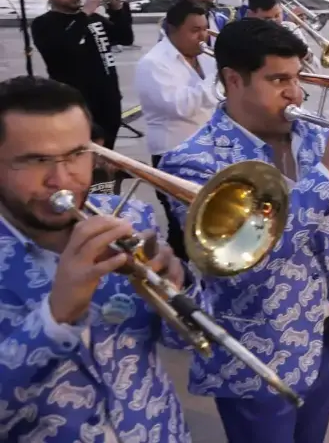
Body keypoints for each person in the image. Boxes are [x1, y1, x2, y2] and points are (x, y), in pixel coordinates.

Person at [159, 19, 329, 443]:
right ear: (233, 80)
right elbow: (247, 262)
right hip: (256, 349)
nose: (296, 93)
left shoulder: (312, 135)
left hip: (326, 330)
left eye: (296, 77)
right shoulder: (191, 163)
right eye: (278, 80)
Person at [0, 75, 200, 442]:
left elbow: (188, 344)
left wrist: (179, 288)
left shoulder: (129, 216)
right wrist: (55, 317)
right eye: (36, 160)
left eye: (77, 154)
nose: (62, 179)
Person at [134, 0, 217, 259]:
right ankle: (174, 274)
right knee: (182, 227)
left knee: (208, 225)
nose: (202, 37)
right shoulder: (153, 63)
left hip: (207, 150)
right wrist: (219, 78)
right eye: (195, 30)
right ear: (172, 29)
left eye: (205, 29)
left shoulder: (206, 57)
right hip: (172, 154)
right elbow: (180, 106)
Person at [31, 0, 133, 149]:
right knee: (81, 153)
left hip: (109, 98)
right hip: (75, 102)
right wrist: (85, 12)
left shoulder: (94, 18)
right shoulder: (43, 24)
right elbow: (62, 48)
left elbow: (125, 37)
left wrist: (118, 9)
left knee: (107, 154)